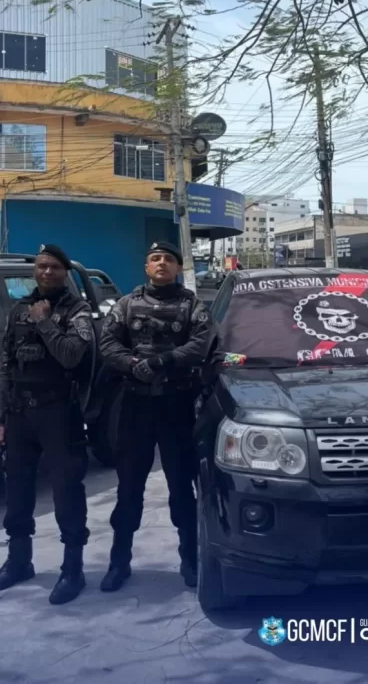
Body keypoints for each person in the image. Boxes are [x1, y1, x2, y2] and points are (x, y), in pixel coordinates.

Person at [99, 241, 213, 592]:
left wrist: (162, 362)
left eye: (168, 259)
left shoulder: (193, 305)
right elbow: (107, 345)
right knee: (129, 487)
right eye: (155, 258)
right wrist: (134, 364)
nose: (161, 263)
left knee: (182, 487)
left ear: (178, 268)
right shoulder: (126, 304)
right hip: (137, 406)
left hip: (177, 406)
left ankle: (190, 560)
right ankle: (119, 562)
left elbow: (202, 343)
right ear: (146, 267)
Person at [0, 244, 93, 604]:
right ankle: (19, 562)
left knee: (67, 492)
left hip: (59, 415)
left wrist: (46, 322)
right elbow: (6, 362)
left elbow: (71, 355)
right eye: (41, 266)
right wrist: (3, 414)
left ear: (65, 271)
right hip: (21, 415)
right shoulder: (20, 310)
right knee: (18, 490)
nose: (47, 272)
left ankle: (73, 570)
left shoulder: (77, 310)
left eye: (54, 267)